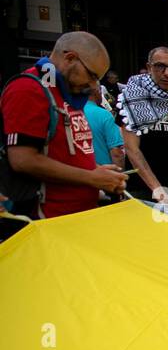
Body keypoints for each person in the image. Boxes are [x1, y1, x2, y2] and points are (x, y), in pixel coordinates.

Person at [0, 30, 126, 227]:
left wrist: (96, 170)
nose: (94, 85)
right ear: (70, 58)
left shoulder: (63, 91)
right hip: (47, 223)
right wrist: (91, 177)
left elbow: (62, 152)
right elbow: (23, 160)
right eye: (92, 75)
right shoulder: (29, 89)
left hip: (76, 219)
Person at [116, 46, 168, 204]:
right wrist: (156, 188)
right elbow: (132, 149)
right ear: (149, 67)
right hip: (142, 190)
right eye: (160, 66)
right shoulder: (132, 98)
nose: (167, 73)